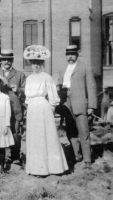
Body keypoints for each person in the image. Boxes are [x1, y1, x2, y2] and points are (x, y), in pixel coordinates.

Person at [23, 45, 68, 176]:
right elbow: (27, 98)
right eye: (33, 63)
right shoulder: (29, 78)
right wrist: (28, 109)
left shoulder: (46, 77)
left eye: (38, 63)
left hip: (43, 107)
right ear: (30, 65)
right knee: (34, 137)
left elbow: (53, 96)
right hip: (32, 108)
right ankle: (37, 168)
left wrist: (51, 110)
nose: (35, 66)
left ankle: (53, 168)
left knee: (46, 136)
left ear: (41, 64)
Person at [58, 45, 97, 169]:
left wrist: (91, 106)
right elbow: (59, 85)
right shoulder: (63, 68)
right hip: (66, 103)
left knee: (84, 131)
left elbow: (91, 88)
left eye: (73, 54)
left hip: (80, 103)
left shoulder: (85, 67)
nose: (70, 57)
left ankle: (87, 160)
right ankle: (76, 155)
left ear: (77, 55)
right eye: (68, 54)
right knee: (70, 131)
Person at [0, 49, 26, 163]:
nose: (7, 62)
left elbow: (26, 91)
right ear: (1, 61)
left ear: (12, 60)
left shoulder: (20, 74)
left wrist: (18, 89)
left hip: (15, 109)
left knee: (15, 133)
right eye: (4, 59)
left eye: (9, 59)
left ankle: (15, 158)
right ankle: (0, 159)